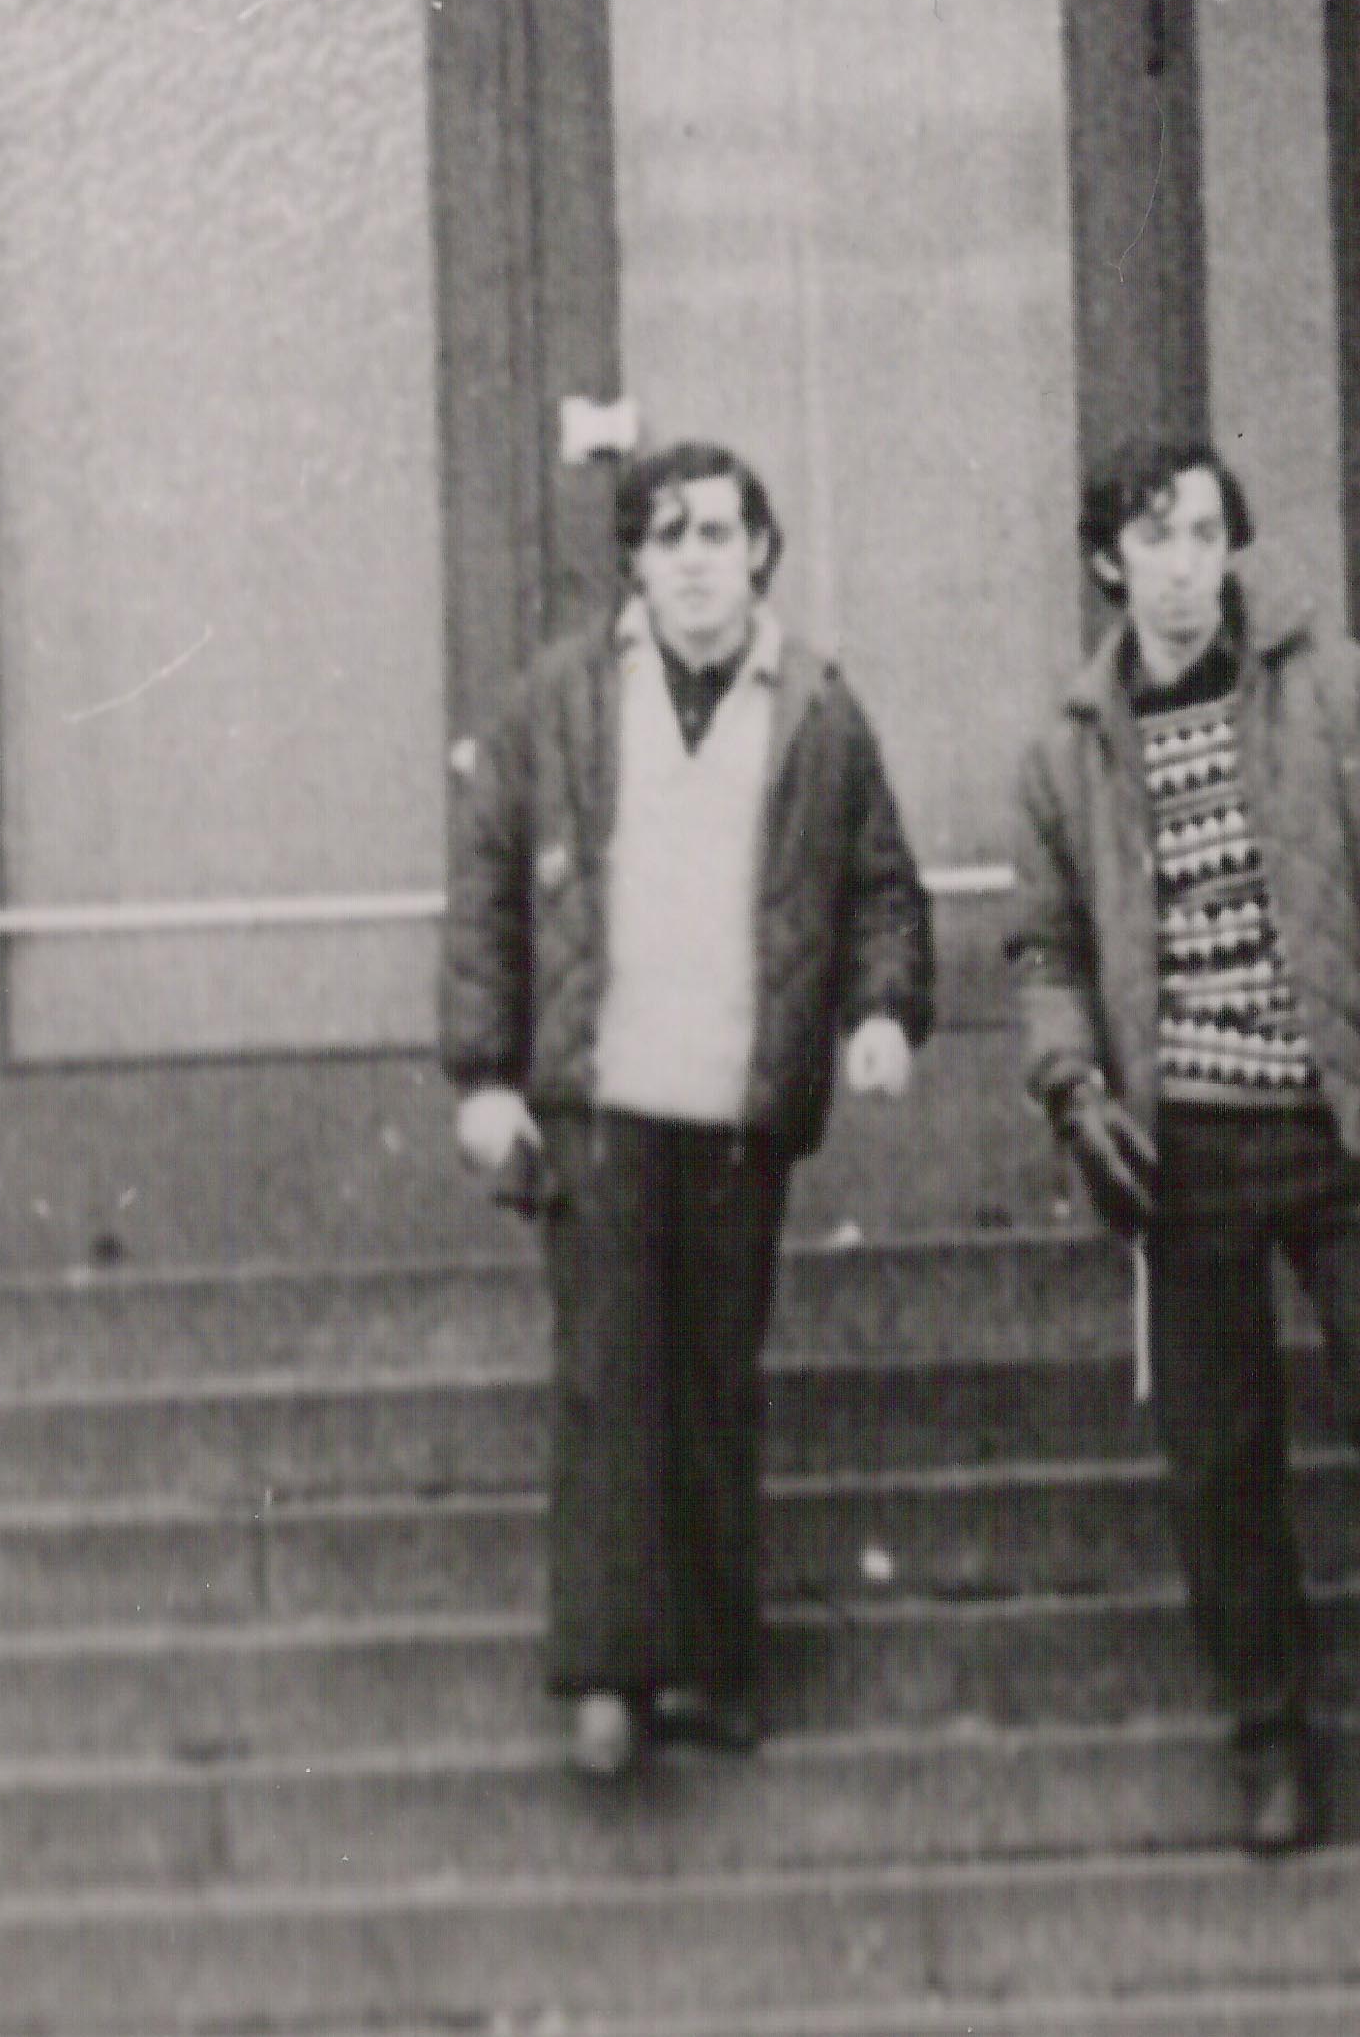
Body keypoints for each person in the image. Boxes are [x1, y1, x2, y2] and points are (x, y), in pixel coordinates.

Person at [997, 433, 1360, 1856]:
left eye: (1205, 534)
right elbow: (1041, 945)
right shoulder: (1065, 749)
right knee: (1215, 1453)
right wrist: (1076, 1087)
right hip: (1182, 1150)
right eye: (1151, 538)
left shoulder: (1342, 690)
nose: (1181, 565)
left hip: (1343, 1123)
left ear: (1234, 549)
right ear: (1109, 559)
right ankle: (1270, 1729)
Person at [440, 438, 934, 1781]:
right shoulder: (562, 701)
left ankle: (716, 1666)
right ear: (634, 565)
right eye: (668, 539)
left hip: (737, 1105)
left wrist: (880, 1012)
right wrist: (482, 1078)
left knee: (716, 1379)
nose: (697, 562)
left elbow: (881, 887)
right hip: (595, 1098)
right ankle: (610, 1676)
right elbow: (488, 887)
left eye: (719, 534)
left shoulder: (818, 708)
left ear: (761, 551)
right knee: (611, 1380)